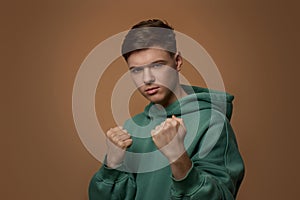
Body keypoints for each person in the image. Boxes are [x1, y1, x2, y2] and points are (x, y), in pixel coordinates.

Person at [89, 19, 245, 199]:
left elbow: (220, 197)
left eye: (157, 65)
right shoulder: (131, 128)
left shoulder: (212, 122)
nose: (147, 79)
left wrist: (179, 159)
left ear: (177, 61)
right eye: (136, 70)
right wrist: (112, 165)